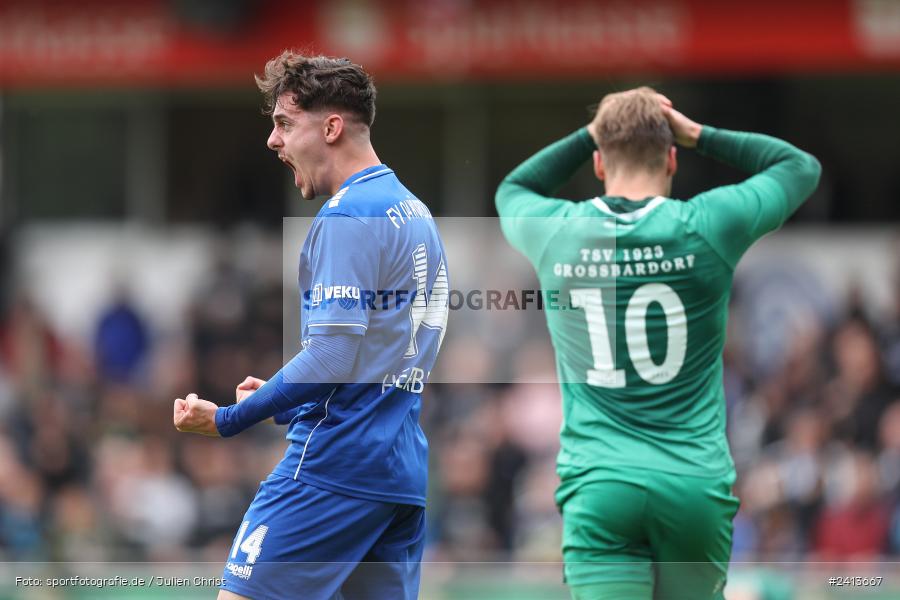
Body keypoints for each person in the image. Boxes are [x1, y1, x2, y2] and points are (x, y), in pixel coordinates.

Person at [495, 87, 820, 599]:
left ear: (599, 163)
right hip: (693, 484)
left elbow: (513, 188)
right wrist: (701, 135)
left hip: (601, 486)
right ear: (672, 157)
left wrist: (591, 133)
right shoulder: (708, 224)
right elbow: (798, 167)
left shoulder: (558, 232)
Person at [173, 51, 449, 600]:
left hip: (333, 469)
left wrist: (231, 418)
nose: (273, 141)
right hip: (397, 474)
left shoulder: (348, 216)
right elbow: (377, 357)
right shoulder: (412, 211)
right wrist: (289, 400)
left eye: (283, 122)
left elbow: (331, 356)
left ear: (330, 126)